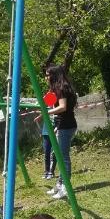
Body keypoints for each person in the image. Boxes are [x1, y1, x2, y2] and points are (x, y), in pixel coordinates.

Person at [45, 65, 78, 201]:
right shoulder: (58, 88)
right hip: (62, 125)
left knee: (63, 157)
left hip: (66, 126)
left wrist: (46, 112)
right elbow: (52, 104)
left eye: (48, 74)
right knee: (58, 156)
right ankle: (59, 184)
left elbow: (62, 107)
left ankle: (65, 186)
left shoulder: (61, 88)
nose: (46, 77)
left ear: (54, 75)